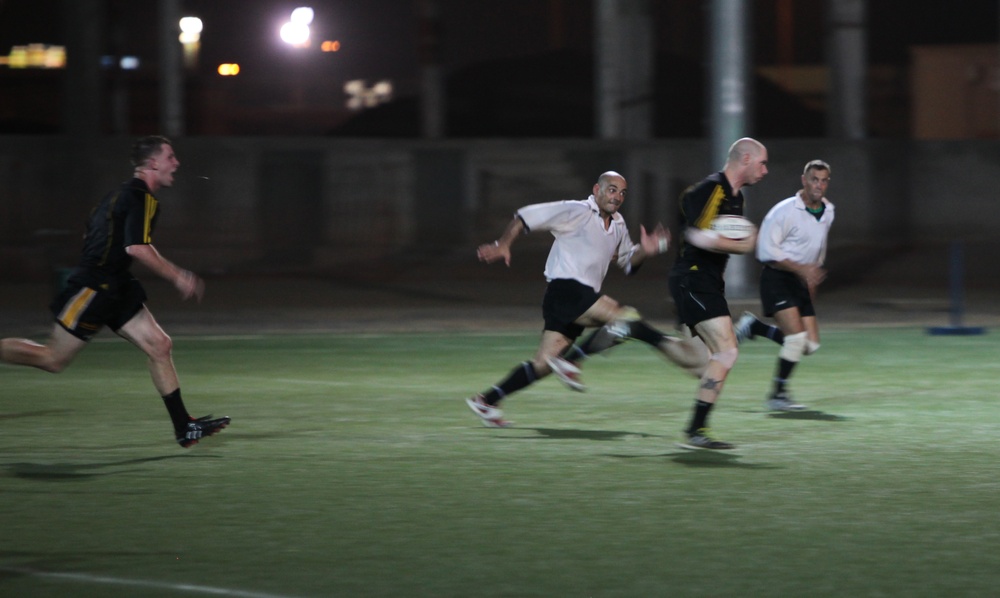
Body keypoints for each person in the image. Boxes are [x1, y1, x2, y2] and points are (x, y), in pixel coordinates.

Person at [0, 135, 230, 448]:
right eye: (170, 157)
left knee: (160, 346)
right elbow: (137, 247)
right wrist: (178, 276)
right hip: (94, 287)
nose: (176, 163)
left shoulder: (119, 195)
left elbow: (91, 230)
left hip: (115, 284)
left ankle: (184, 428)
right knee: (52, 359)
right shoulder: (139, 197)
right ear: (152, 163)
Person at [466, 171, 708, 428]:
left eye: (622, 193)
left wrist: (644, 251)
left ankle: (487, 400)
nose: (617, 197)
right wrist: (503, 243)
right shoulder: (576, 210)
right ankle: (572, 361)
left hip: (577, 299)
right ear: (597, 190)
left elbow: (627, 263)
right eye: (612, 190)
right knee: (626, 318)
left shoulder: (618, 223)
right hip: (565, 290)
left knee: (542, 365)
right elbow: (525, 215)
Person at [668, 138, 767, 449]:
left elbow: (718, 240)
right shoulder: (711, 189)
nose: (765, 170)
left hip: (707, 283)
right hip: (693, 279)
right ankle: (696, 431)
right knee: (727, 351)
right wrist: (742, 244)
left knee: (702, 363)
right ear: (746, 158)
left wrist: (738, 246)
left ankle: (633, 330)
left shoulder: (737, 200)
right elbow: (693, 234)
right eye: (762, 163)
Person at [735, 159, 835, 411]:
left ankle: (755, 327)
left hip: (801, 281)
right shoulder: (784, 211)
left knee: (810, 345)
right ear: (804, 180)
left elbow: (817, 248)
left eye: (823, 180)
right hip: (776, 278)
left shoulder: (829, 211)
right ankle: (778, 395)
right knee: (796, 339)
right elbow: (766, 252)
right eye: (814, 179)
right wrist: (802, 269)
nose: (819, 185)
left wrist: (811, 278)